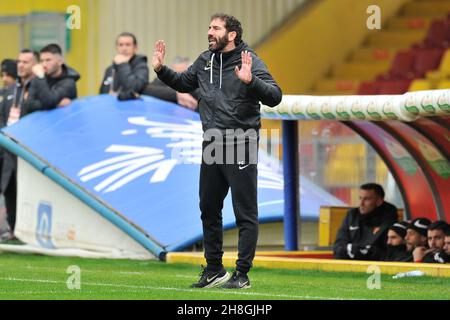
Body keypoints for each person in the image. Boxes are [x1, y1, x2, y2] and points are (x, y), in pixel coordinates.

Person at [152, 13, 282, 289]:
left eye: (215, 28)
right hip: (212, 142)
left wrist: (251, 82)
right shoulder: (205, 60)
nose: (209, 32)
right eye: (209, 28)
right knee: (209, 208)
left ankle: (242, 274)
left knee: (245, 212)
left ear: (231, 34)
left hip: (241, 141)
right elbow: (185, 83)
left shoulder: (250, 60)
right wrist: (161, 69)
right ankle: (214, 270)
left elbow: (274, 95)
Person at [0, 49, 39, 240]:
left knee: (28, 190)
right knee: (9, 189)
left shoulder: (37, 88)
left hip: (29, 150)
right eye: (19, 61)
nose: (21, 65)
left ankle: (30, 232)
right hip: (8, 149)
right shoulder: (10, 91)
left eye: (26, 61)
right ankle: (14, 230)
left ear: (35, 64)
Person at [333, 183, 398, 261]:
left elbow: (380, 249)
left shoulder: (389, 216)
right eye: (360, 198)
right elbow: (338, 246)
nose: (361, 203)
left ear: (379, 201)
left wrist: (354, 249)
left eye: (367, 199)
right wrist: (352, 249)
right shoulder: (352, 215)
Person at [25, 43, 80, 113]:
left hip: (61, 122)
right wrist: (56, 104)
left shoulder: (69, 82)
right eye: (42, 61)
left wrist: (41, 77)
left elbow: (49, 101)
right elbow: (29, 106)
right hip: (41, 122)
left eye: (48, 60)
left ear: (60, 62)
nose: (44, 64)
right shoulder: (38, 79)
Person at [99, 32, 149, 100]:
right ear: (116, 47)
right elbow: (102, 94)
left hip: (133, 108)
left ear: (135, 48)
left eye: (128, 45)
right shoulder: (110, 69)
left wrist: (122, 65)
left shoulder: (141, 66)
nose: (124, 48)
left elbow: (136, 88)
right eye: (121, 45)